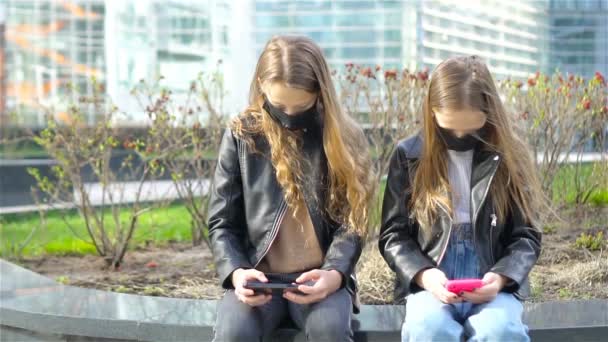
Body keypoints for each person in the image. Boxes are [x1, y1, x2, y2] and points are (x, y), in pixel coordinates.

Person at [209, 35, 374, 342]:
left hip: (319, 278)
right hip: (259, 278)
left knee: (329, 330)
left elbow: (353, 224)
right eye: (278, 104)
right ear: (261, 85)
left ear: (320, 92)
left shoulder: (342, 137)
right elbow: (222, 221)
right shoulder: (242, 135)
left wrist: (335, 273)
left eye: (300, 106)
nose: (288, 115)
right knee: (234, 332)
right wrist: (236, 272)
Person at [379, 55, 544, 342]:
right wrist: (424, 275)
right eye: (449, 128)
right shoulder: (409, 155)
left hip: (493, 276)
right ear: (432, 113)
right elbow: (394, 234)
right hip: (430, 280)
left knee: (501, 331)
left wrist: (501, 277)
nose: (460, 137)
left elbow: (526, 234)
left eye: (472, 129)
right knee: (428, 330)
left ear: (490, 113)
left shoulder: (510, 155)